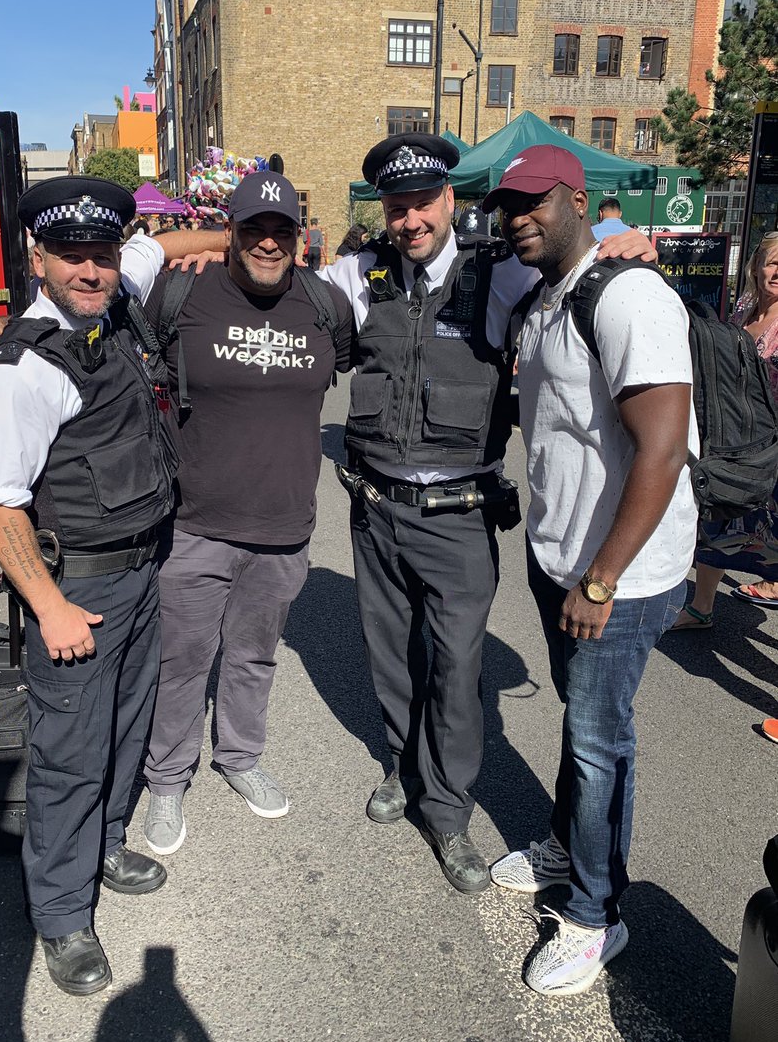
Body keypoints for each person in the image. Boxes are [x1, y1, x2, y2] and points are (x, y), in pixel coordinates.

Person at [320, 136, 658, 895]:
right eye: (396, 207)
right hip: (376, 510)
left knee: (456, 668)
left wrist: (623, 237)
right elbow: (271, 284)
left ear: (449, 200)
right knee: (392, 661)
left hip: (460, 515)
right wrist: (210, 244)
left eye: (422, 204)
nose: (409, 221)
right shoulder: (358, 274)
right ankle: (402, 770)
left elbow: (577, 258)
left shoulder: (499, 273)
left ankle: (447, 810)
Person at [483, 145, 697, 995]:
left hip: (624, 574)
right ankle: (569, 846)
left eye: (536, 201)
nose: (519, 217)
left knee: (600, 741)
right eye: (510, 205)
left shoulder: (629, 294)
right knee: (585, 723)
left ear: (579, 199)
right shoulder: (546, 298)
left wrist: (602, 579)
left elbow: (665, 447)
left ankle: (596, 914)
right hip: (560, 558)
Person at [0, 177, 179, 997]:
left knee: (127, 730)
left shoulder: (114, 303)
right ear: (38, 257)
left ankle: (108, 844)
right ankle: (60, 914)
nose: (91, 272)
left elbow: (167, 246)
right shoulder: (20, 367)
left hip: (140, 569)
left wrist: (234, 229)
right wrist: (48, 606)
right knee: (68, 757)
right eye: (73, 257)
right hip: (77, 593)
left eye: (102, 255)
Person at [134, 172, 353, 853]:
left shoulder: (323, 303)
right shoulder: (183, 292)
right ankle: (167, 778)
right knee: (182, 660)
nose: (266, 242)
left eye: (280, 231)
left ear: (297, 239)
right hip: (193, 523)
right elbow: (81, 292)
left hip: (283, 528)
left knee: (254, 657)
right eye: (252, 228)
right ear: (230, 232)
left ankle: (239, 757)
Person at [672, 231, 778, 629]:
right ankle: (701, 608)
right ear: (755, 267)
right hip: (736, 437)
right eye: (771, 261)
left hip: (773, 444)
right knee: (717, 520)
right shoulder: (745, 309)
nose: (777, 270)